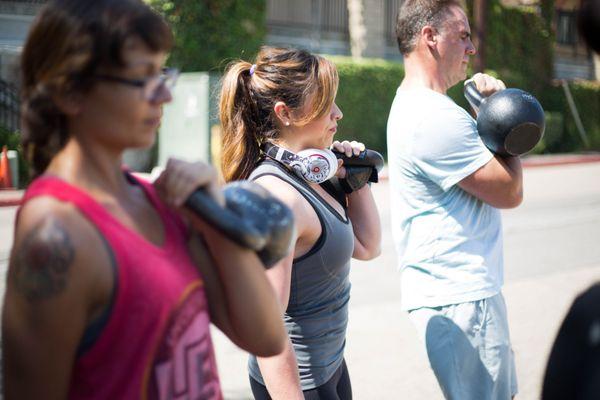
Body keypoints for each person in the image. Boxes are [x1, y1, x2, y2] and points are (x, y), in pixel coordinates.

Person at [1, 1, 287, 399]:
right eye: (142, 78)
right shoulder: (55, 235)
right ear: (70, 92)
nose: (164, 96)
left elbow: (266, 336)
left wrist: (213, 214)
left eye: (162, 73)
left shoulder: (159, 202)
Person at [219, 46, 382, 400]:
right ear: (285, 113)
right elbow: (265, 326)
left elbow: (368, 247)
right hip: (299, 384)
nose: (338, 114)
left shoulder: (312, 173)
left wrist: (356, 180)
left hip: (332, 366)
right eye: (325, 106)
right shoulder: (278, 199)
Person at [387, 0, 523, 399]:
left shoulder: (422, 106)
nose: (471, 48)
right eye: (462, 35)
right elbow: (509, 191)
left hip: (456, 296)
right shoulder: (433, 117)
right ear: (430, 37)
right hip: (462, 297)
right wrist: (502, 122)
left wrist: (484, 115)